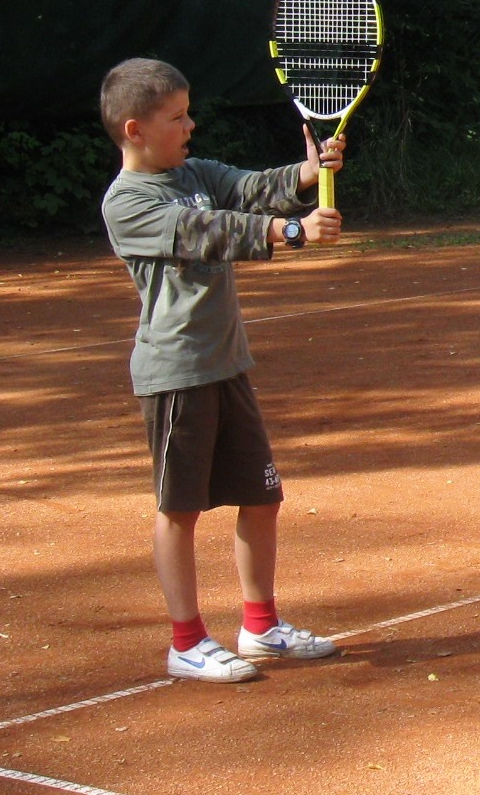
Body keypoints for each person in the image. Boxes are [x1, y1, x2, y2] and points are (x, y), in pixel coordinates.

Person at [99, 58, 344, 683]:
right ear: (134, 129)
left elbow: (247, 188)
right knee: (180, 509)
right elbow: (209, 230)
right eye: (176, 117)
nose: (191, 125)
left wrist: (309, 173)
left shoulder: (193, 172)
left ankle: (260, 626)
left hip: (226, 364)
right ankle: (186, 641)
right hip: (176, 372)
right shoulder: (127, 203)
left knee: (262, 497)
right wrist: (293, 230)